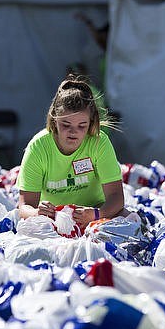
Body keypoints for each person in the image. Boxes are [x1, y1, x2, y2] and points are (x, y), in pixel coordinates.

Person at [17, 74, 126, 225]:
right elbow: (24, 207)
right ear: (54, 120)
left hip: (96, 213)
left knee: (130, 219)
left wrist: (96, 214)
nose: (73, 132)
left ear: (91, 123)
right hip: (53, 219)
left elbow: (117, 198)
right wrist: (37, 212)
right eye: (66, 125)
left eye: (82, 126)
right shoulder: (38, 147)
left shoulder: (99, 142)